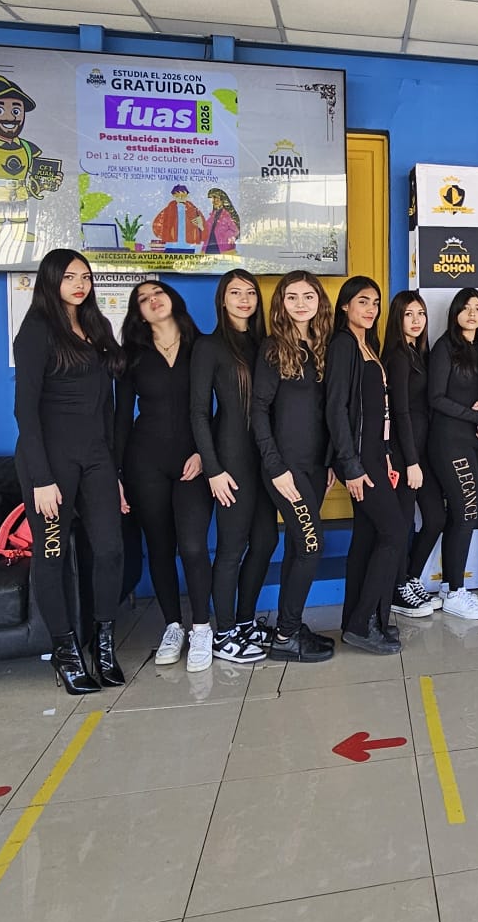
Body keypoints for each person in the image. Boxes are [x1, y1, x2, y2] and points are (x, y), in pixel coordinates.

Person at [12, 249, 124, 692]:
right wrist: (41, 477)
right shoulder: (37, 330)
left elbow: (107, 405)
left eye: (86, 277)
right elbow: (24, 410)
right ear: (51, 280)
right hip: (50, 459)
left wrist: (114, 472)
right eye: (70, 277)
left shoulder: (97, 326)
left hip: (96, 456)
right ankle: (65, 651)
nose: (80, 284)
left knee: (110, 550)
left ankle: (103, 644)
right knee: (52, 554)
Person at [117, 278, 215, 671]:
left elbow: (223, 405)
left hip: (194, 462)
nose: (153, 300)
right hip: (145, 462)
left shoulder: (202, 346)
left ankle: (202, 627)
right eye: (143, 299)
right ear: (138, 313)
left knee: (192, 547)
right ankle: (173, 626)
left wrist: (206, 454)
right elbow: (121, 417)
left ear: (172, 299)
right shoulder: (132, 356)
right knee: (159, 547)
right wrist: (117, 474)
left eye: (157, 293)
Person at [190, 269, 278, 664]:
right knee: (231, 548)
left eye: (250, 293)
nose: (244, 299)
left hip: (266, 459)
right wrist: (213, 469)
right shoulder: (209, 346)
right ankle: (223, 633)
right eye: (235, 292)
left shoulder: (265, 345)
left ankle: (244, 622)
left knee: (266, 541)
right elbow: (198, 413)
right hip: (231, 461)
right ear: (222, 300)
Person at [252, 271, 336, 662]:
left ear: (319, 301)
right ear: (281, 304)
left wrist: (330, 461)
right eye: (292, 297)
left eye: (308, 296)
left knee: (298, 547)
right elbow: (258, 410)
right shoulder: (274, 347)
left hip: (317, 467)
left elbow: (328, 412)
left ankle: (290, 623)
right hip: (286, 468)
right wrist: (275, 467)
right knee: (312, 546)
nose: (301, 304)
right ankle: (285, 636)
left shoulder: (324, 346)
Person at [327, 277, 406, 654]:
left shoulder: (368, 344)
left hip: (375, 454)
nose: (371, 309)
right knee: (395, 532)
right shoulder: (343, 345)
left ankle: (359, 620)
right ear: (345, 306)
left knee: (366, 536)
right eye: (363, 301)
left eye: (375, 302)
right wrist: (351, 465)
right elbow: (336, 408)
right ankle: (362, 623)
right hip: (358, 458)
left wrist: (386, 454)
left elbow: (378, 412)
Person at [428, 288, 478, 619]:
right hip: (449, 441)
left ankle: (450, 586)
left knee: (464, 513)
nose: (472, 313)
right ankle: (455, 592)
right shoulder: (445, 347)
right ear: (455, 313)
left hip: (471, 442)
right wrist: (476, 417)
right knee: (466, 513)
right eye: (466, 308)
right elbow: (436, 398)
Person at [383, 291, 446, 619]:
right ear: (397, 318)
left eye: (420, 313)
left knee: (435, 518)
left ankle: (409, 577)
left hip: (424, 452)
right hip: (405, 453)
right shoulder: (397, 356)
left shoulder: (419, 353)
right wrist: (410, 462)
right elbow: (401, 412)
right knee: (403, 522)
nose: (416, 320)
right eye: (408, 314)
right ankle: (396, 589)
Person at [202, 188, 241, 255]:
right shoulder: (213, 215)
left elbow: (236, 230)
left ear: (223, 200)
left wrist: (229, 236)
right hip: (209, 248)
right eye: (212, 199)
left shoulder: (228, 214)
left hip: (223, 248)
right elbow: (206, 228)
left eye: (216, 198)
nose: (214, 201)